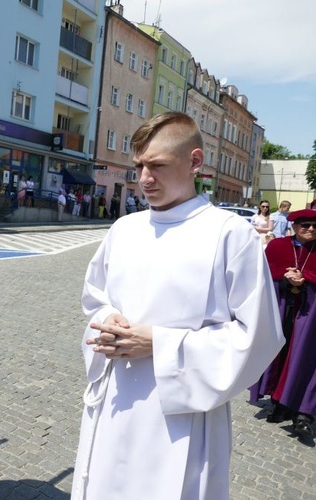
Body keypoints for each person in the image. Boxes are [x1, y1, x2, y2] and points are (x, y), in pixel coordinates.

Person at [71, 112, 284, 500]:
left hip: (181, 412)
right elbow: (94, 297)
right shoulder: (124, 229)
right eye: (139, 166)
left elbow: (259, 335)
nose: (144, 179)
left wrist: (161, 344)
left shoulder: (230, 234)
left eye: (158, 166)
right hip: (115, 398)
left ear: (195, 162)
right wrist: (106, 318)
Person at [250, 209, 316, 440]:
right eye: (305, 225)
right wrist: (285, 278)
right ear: (295, 226)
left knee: (302, 359)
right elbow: (264, 274)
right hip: (283, 308)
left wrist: (306, 276)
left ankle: (303, 411)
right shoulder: (279, 246)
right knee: (280, 353)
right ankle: (279, 401)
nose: (311, 229)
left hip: (310, 316)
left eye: (314, 226)